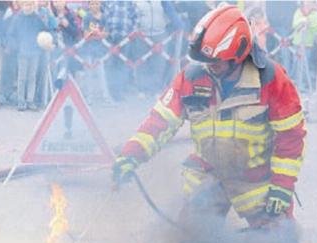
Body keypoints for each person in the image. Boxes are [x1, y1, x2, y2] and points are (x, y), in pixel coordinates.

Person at [112, 5, 306, 229]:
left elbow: (290, 137)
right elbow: (160, 122)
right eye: (205, 61)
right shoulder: (192, 78)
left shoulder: (271, 79)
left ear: (238, 54)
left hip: (255, 178)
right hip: (208, 174)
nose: (209, 67)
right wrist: (130, 156)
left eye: (216, 62)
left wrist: (282, 186)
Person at [7, 0, 46, 111]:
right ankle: (21, 100)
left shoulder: (37, 18)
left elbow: (44, 31)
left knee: (32, 77)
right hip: (22, 52)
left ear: (33, 6)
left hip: (35, 52)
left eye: (30, 4)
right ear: (22, 5)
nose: (28, 7)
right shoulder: (17, 18)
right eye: (25, 4)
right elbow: (10, 34)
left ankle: (30, 100)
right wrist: (17, 46)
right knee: (22, 77)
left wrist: (43, 42)